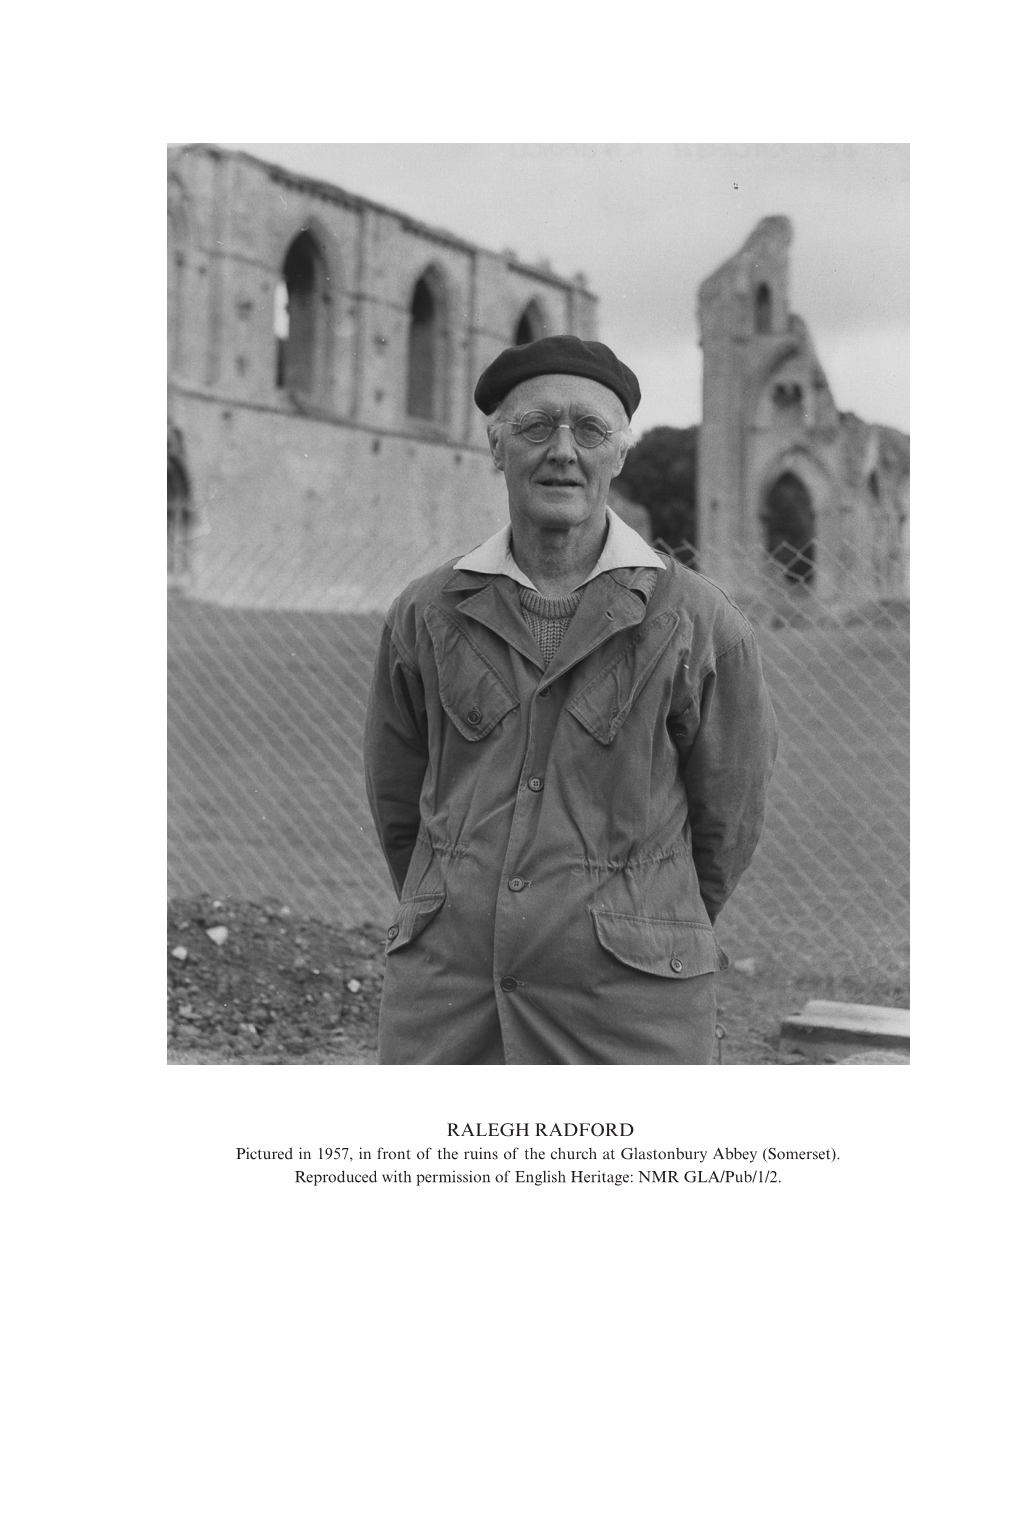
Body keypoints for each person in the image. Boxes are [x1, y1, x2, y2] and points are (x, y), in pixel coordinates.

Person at [364, 334, 777, 1065]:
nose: (563, 449)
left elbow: (729, 820)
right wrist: (463, 906)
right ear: (497, 448)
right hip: (450, 1007)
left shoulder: (702, 623)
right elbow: (399, 806)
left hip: (631, 1015)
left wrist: (639, 922)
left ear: (619, 452)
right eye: (534, 426)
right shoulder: (425, 612)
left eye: (589, 429)